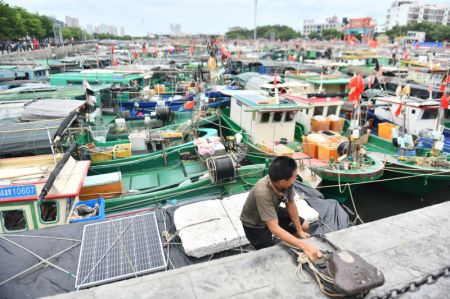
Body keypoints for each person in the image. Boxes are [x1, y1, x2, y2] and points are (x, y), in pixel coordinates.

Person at [240, 156, 322, 261]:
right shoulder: (262, 193)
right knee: (272, 254)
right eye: (294, 177)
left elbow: (291, 204)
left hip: (272, 210)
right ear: (282, 182)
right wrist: (304, 245)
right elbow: (274, 228)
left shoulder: (287, 183)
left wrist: (299, 230)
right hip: (255, 224)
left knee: (304, 226)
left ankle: (290, 243)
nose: (295, 178)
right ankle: (289, 245)